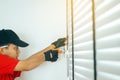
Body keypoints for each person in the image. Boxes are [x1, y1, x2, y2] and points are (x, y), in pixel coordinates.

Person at [0, 29, 66, 80]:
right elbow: (27, 65)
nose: (19, 52)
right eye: (15, 48)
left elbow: (27, 62)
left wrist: (52, 46)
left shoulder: (5, 66)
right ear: (2, 50)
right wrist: (47, 56)